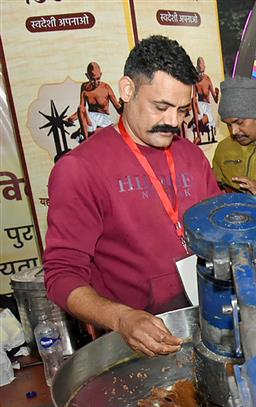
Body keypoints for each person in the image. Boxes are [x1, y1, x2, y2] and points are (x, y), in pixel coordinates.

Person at [44, 35, 221, 357]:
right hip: (132, 342)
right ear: (127, 90)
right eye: (160, 107)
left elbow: (218, 233)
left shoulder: (192, 157)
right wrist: (121, 318)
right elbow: (61, 275)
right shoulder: (80, 169)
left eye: (182, 110)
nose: (173, 122)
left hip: (205, 328)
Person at [67, 62, 122, 141]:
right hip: (91, 119)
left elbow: (117, 107)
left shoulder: (106, 88)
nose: (96, 82)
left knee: (96, 133)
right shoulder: (84, 87)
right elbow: (82, 108)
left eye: (98, 78)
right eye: (92, 79)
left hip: (104, 119)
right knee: (80, 108)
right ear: (87, 76)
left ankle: (82, 133)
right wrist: (71, 119)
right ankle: (85, 140)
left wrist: (126, 107)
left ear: (101, 75)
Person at [190, 57, 219, 144]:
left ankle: (194, 121)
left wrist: (217, 94)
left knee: (203, 121)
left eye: (202, 71)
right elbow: (194, 96)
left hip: (206, 107)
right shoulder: (195, 81)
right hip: (199, 106)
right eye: (199, 71)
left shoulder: (207, 79)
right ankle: (199, 136)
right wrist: (197, 109)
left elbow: (215, 100)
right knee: (193, 101)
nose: (201, 74)